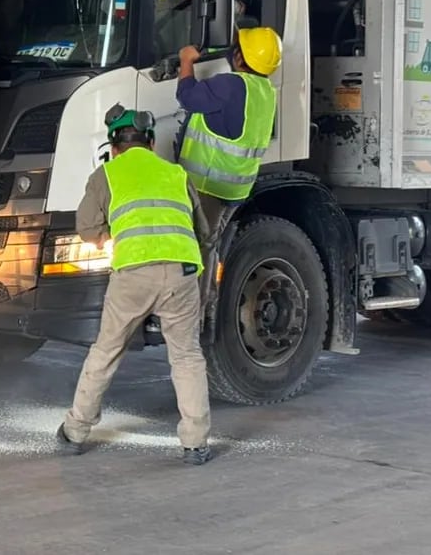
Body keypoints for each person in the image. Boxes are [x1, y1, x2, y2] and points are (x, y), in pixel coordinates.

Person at [57, 105, 214, 466]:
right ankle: (195, 443)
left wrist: (114, 235)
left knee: (106, 351)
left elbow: (87, 229)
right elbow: (203, 232)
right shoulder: (176, 173)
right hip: (182, 272)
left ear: (113, 148)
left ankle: (75, 431)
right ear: (151, 143)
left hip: (133, 274)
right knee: (187, 356)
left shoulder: (106, 175)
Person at [176, 26, 282, 248]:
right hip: (234, 189)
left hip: (208, 186)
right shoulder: (266, 91)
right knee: (211, 245)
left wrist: (186, 60)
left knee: (198, 249)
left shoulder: (231, 85)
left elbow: (187, 97)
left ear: (240, 58)